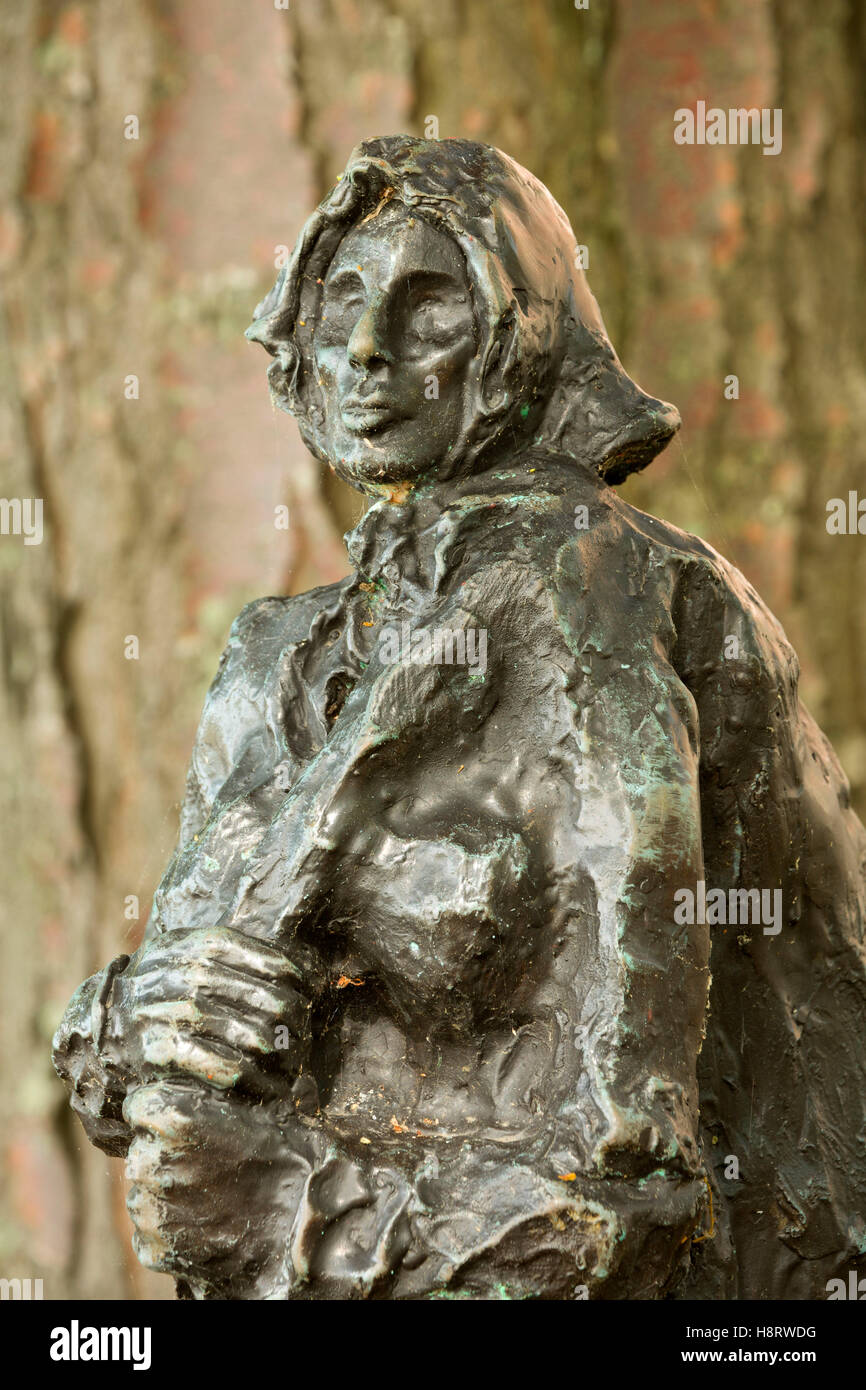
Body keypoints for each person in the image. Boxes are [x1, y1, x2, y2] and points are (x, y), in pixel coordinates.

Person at [54, 136, 866, 1301]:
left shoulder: (612, 595)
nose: (368, 351)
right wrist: (126, 1021)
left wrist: (278, 1210)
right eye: (339, 298)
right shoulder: (276, 656)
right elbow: (177, 1073)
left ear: (515, 341)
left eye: (427, 305)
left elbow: (630, 1186)